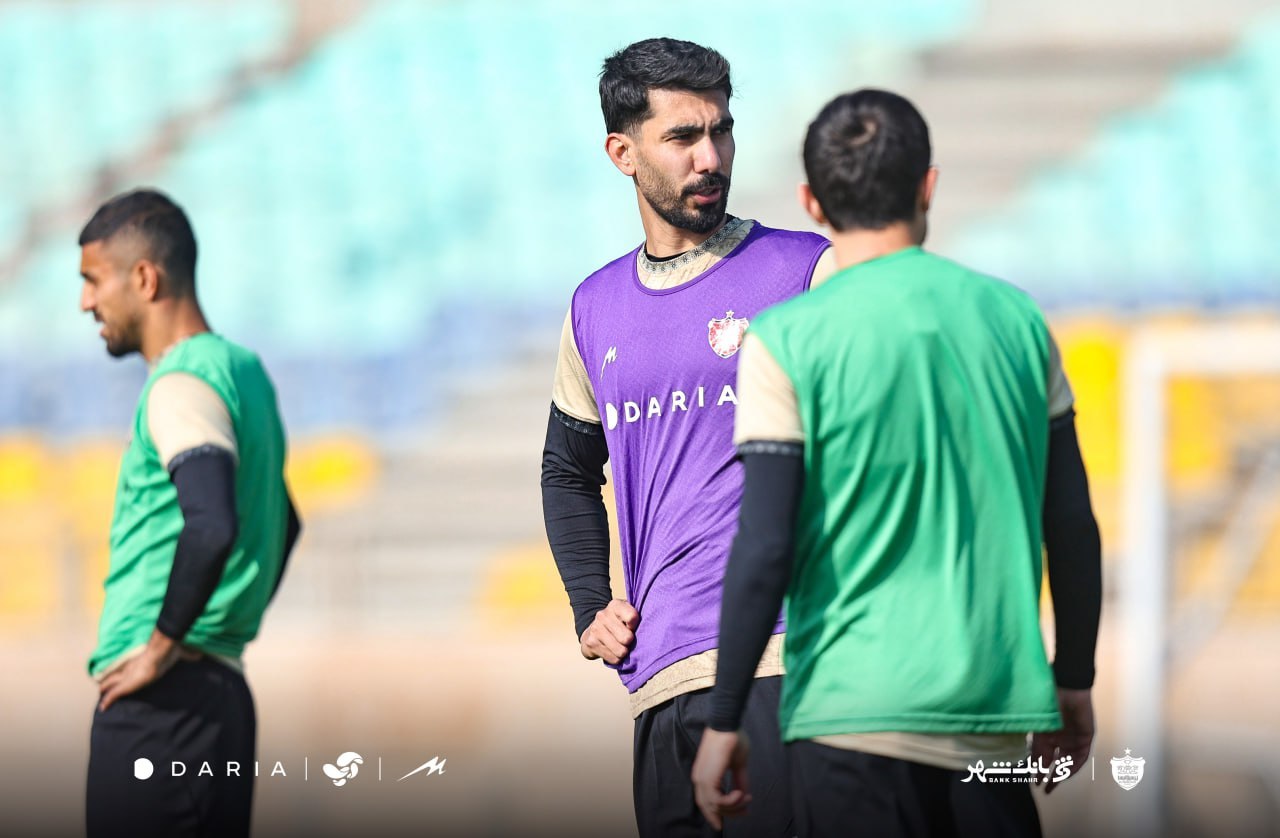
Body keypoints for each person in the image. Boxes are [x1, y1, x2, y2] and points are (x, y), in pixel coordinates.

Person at [691, 89, 1103, 837]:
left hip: (850, 718)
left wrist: (725, 718)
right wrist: (1073, 679)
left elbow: (766, 545)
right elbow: (1070, 523)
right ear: (928, 186)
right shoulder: (1017, 320)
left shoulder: (786, 339)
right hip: (993, 717)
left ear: (812, 202)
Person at [540, 37, 836, 837]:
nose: (711, 157)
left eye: (721, 131)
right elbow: (566, 471)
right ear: (623, 153)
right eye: (683, 137)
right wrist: (589, 604)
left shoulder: (808, 274)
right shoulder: (593, 308)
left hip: (786, 666)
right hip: (659, 682)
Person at [79, 189, 300, 838]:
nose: (85, 302)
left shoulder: (181, 382)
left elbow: (211, 523)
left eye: (93, 280)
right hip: (218, 699)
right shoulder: (243, 371)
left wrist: (163, 647)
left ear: (145, 279)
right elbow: (285, 523)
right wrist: (222, 628)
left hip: (161, 708)